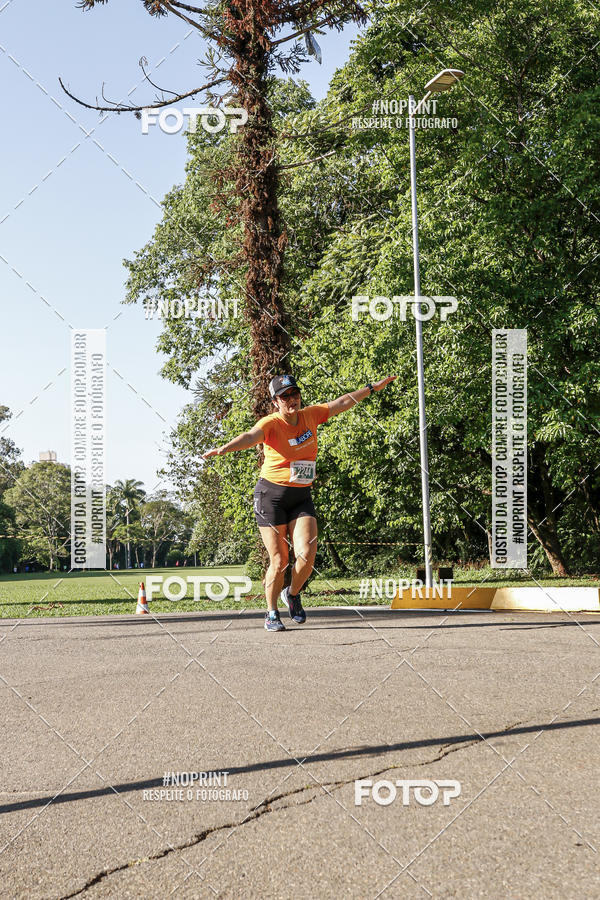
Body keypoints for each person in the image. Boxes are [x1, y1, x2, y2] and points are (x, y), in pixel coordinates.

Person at [203, 374, 396, 632]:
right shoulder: (271, 423)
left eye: (294, 393)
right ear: (275, 402)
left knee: (307, 555)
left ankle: (292, 593)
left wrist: (372, 388)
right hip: (271, 497)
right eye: (285, 396)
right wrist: (224, 448)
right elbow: (250, 436)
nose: (291, 399)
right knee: (279, 560)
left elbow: (341, 402)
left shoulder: (310, 415)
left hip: (301, 495)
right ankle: (271, 612)